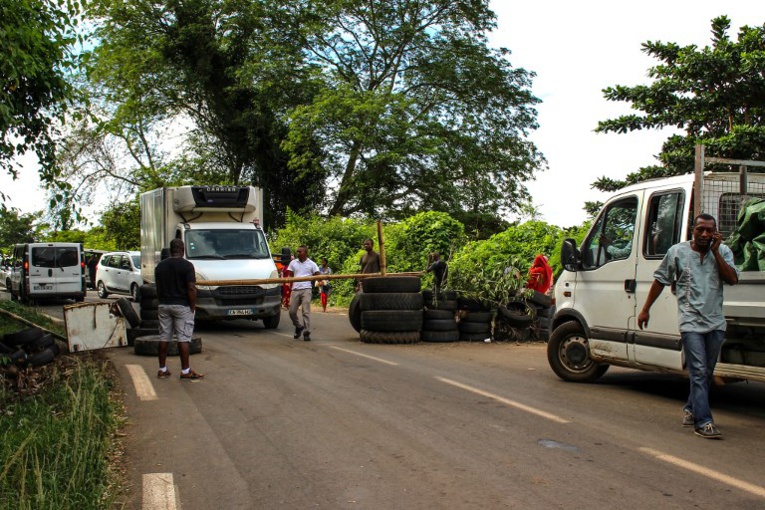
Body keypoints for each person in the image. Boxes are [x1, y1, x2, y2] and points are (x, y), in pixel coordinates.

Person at [637, 214, 738, 439]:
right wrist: (645, 309)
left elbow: (732, 279)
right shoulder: (677, 252)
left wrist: (715, 252)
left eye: (709, 231)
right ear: (693, 230)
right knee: (699, 371)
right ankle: (704, 422)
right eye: (700, 229)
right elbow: (660, 280)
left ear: (715, 233)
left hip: (715, 323)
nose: (704, 234)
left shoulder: (723, 252)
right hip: (690, 321)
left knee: (707, 372)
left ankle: (691, 408)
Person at [155, 238, 203, 380]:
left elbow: (158, 287)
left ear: (170, 251)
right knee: (183, 339)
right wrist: (192, 306)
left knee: (164, 337)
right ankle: (185, 370)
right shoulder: (187, 266)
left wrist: (161, 301)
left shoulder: (160, 267)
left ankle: (162, 369)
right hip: (182, 305)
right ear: (183, 250)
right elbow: (191, 288)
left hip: (164, 305)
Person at [288, 245, 320, 341]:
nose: (298, 253)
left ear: (305, 253)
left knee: (305, 312)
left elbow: (317, 275)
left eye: (300, 252)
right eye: (297, 251)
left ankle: (306, 332)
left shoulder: (312, 264)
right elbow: (291, 275)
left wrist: (322, 279)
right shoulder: (293, 263)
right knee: (292, 312)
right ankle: (298, 326)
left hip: (306, 289)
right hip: (296, 289)